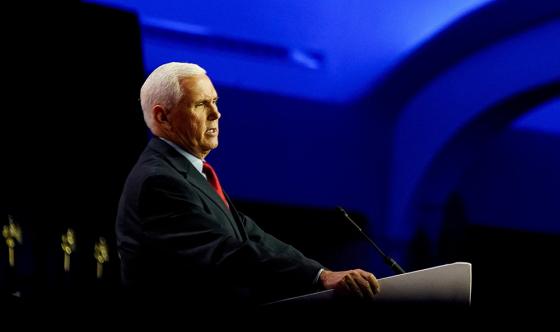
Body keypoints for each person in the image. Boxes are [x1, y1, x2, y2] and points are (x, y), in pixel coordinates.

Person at [116, 62, 380, 312]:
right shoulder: (158, 181)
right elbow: (226, 252)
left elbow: (252, 237)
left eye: (215, 101)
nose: (216, 113)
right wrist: (318, 277)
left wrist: (321, 273)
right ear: (163, 117)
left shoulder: (188, 174)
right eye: (200, 104)